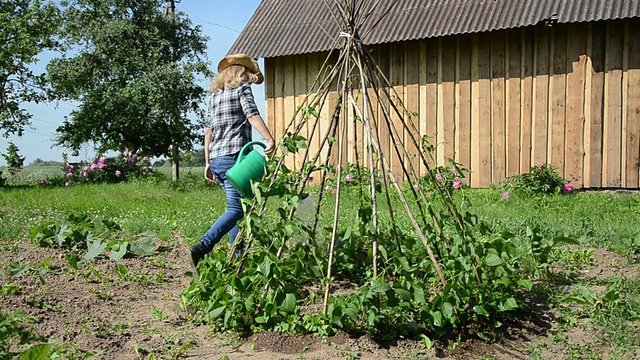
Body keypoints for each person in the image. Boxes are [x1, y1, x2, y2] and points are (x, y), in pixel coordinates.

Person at [189, 54, 275, 268]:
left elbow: (208, 131)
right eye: (247, 74)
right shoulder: (242, 89)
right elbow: (251, 114)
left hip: (217, 158)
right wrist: (269, 138)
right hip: (234, 158)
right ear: (241, 74)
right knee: (236, 209)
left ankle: (237, 259)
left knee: (241, 207)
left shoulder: (215, 95)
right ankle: (201, 247)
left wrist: (208, 162)